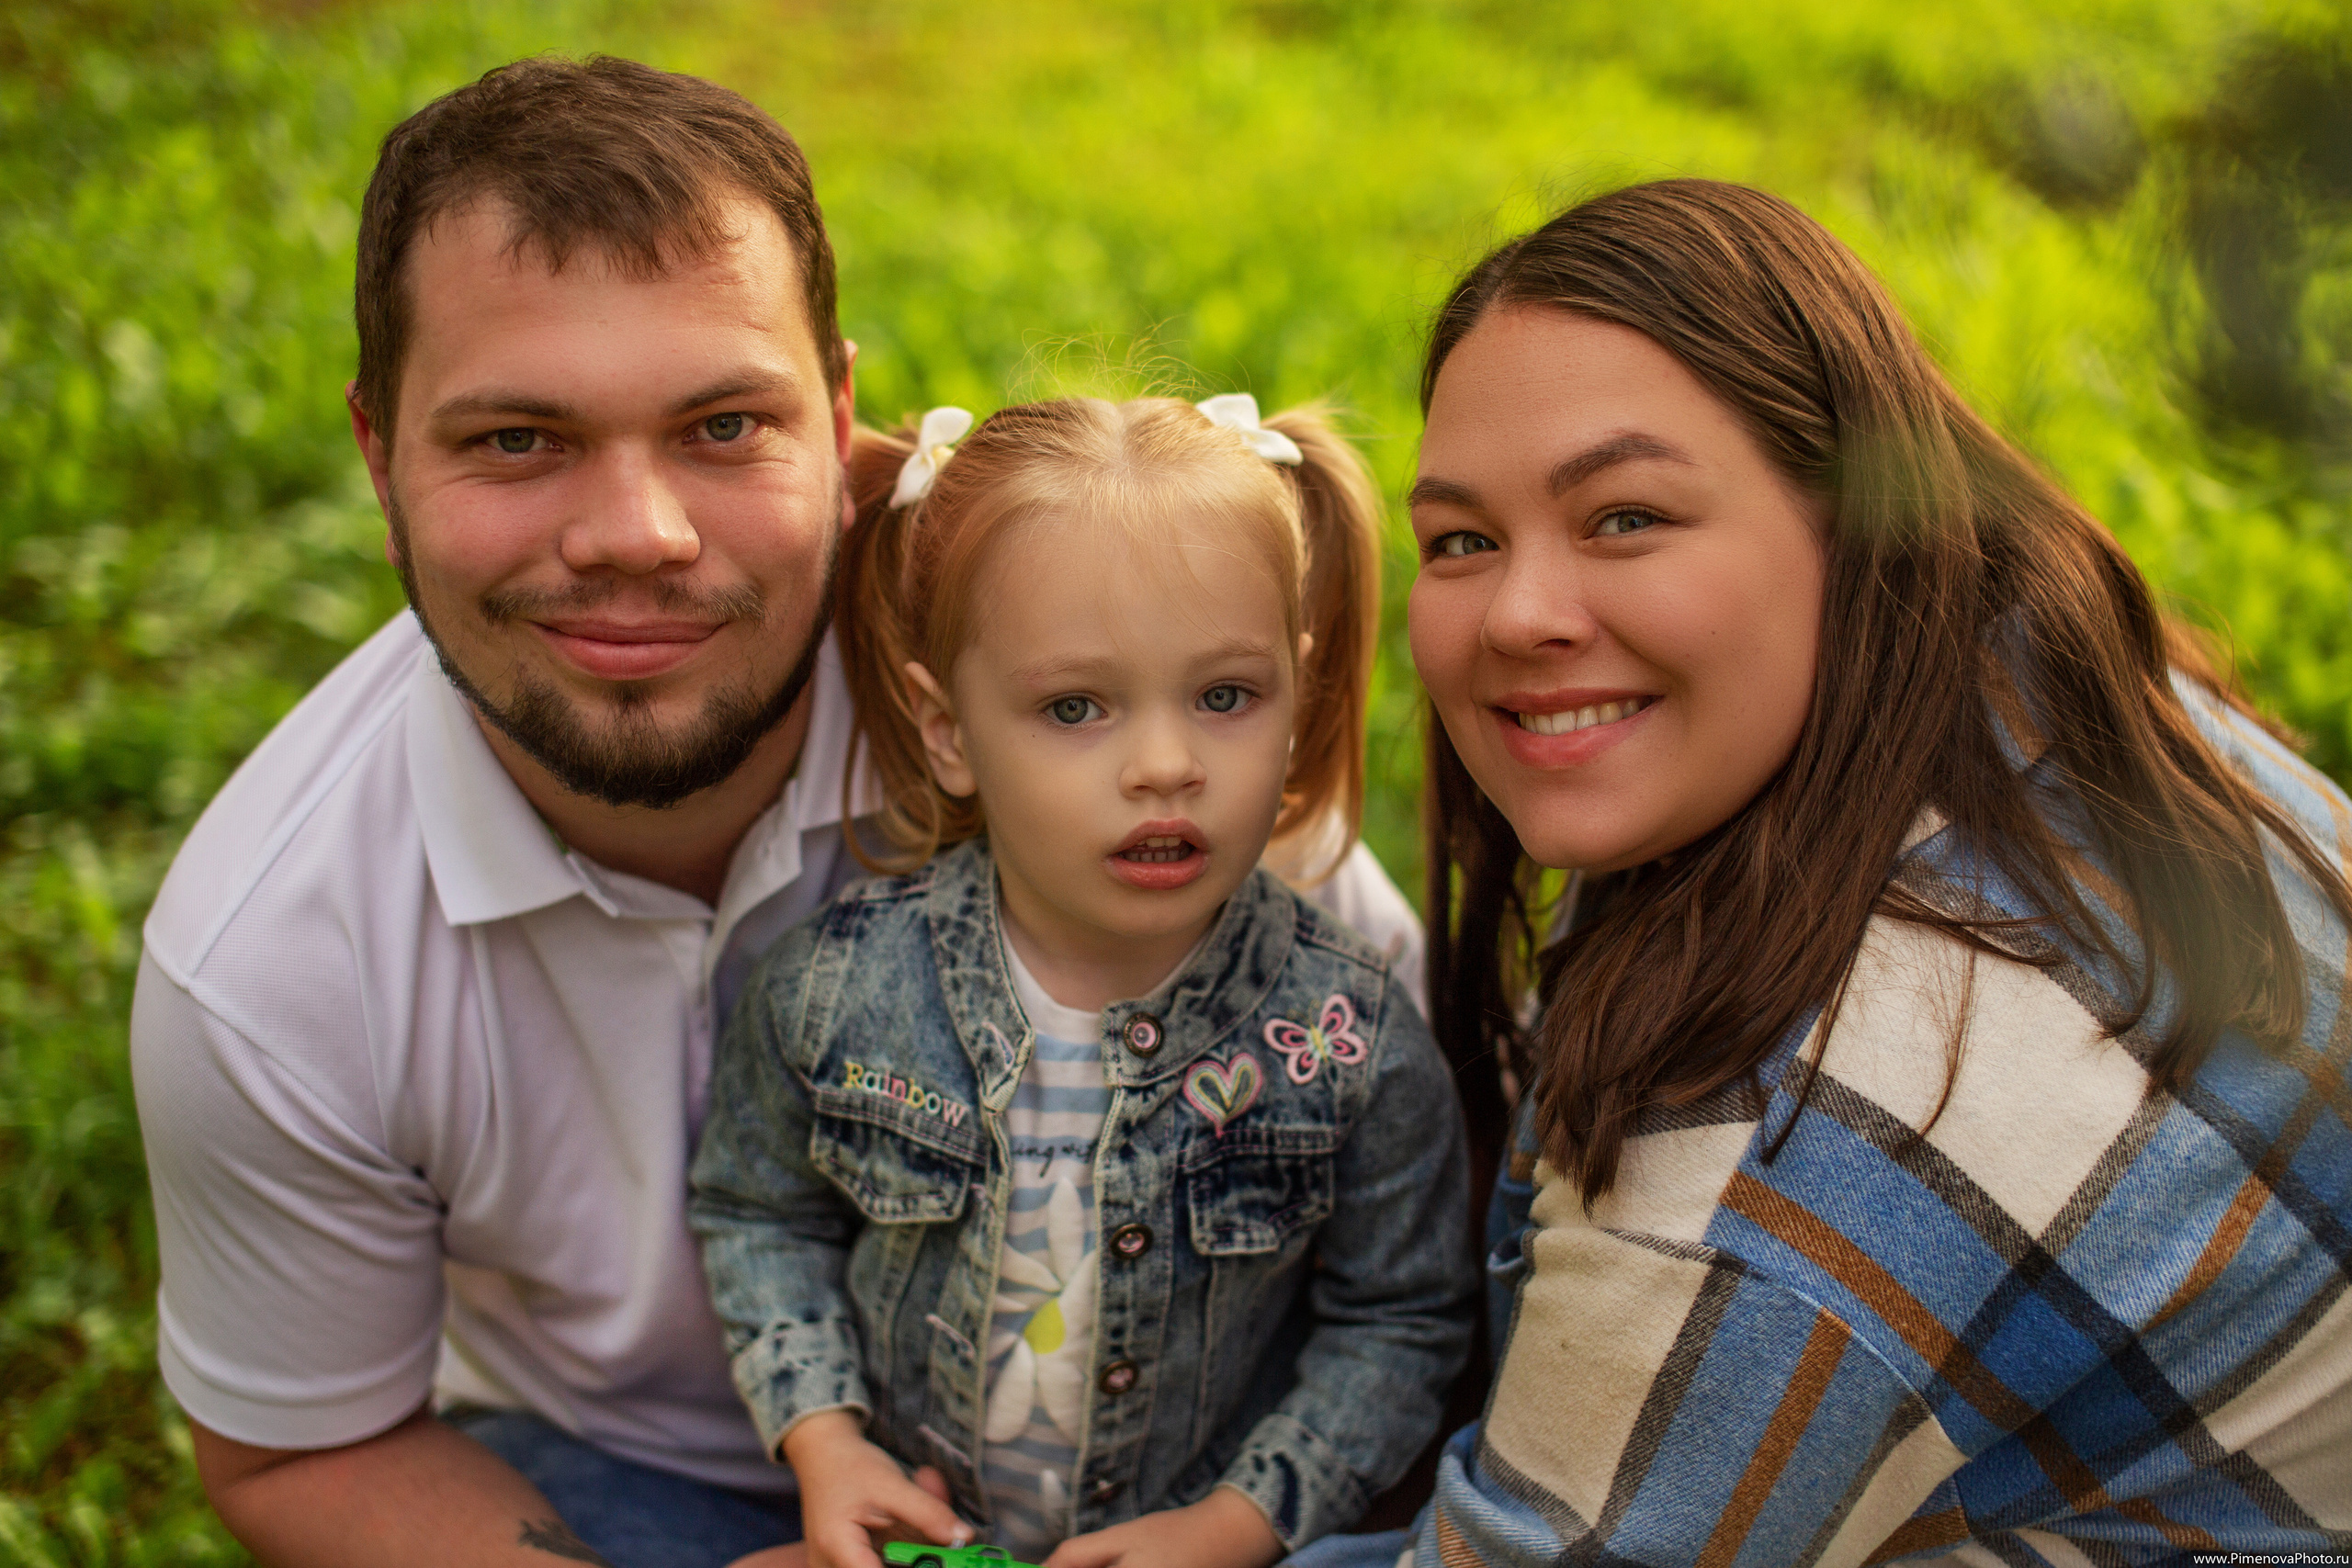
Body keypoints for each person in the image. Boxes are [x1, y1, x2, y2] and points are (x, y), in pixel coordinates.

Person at [127, 57, 1423, 1568]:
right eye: (516, 438)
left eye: (725, 426)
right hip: (633, 1478)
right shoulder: (270, 959)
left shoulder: (1081, 656)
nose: (638, 536)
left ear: (841, 417)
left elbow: (1400, 1219)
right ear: (376, 455)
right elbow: (305, 1447)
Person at [1373, 178, 2352, 1566]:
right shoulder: (2038, 681)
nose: (1519, 613)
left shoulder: (1800, 1166)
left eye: (1626, 517)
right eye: (1462, 539)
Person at [688, 394, 1477, 1568]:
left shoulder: (1344, 1038)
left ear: (1299, 692)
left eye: (1224, 697)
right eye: (1074, 707)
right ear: (947, 728)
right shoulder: (838, 990)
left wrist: (1238, 1524)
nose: (1164, 765)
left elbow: (1403, 1318)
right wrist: (824, 1441)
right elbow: (758, 1214)